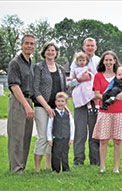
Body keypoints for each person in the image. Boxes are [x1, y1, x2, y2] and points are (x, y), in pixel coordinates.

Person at [92, 51, 122, 173]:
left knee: (117, 140)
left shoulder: (120, 74)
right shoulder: (98, 76)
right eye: (106, 60)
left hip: (119, 110)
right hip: (105, 111)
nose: (108, 62)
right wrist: (108, 98)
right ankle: (102, 167)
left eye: (110, 60)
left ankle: (116, 167)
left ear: (114, 61)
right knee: (103, 140)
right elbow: (97, 93)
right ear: (103, 62)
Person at [33, 41, 67, 172]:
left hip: (57, 108)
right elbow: (35, 90)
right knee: (42, 136)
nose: (50, 52)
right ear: (44, 52)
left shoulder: (60, 69)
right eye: (48, 50)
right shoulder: (39, 67)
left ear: (56, 53)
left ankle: (48, 166)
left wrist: (65, 106)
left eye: (53, 50)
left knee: (52, 136)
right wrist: (47, 107)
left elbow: (63, 90)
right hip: (42, 106)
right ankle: (37, 168)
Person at [68, 37, 101, 166]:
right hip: (81, 100)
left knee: (94, 131)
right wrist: (80, 79)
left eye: (92, 45)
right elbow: (70, 82)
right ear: (84, 47)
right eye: (88, 45)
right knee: (80, 132)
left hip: (95, 100)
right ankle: (78, 160)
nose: (90, 48)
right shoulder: (76, 62)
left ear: (96, 47)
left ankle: (95, 161)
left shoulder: (99, 61)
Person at [7, 34, 36, 173]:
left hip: (29, 100)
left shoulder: (31, 63)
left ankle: (22, 167)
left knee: (26, 136)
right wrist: (25, 105)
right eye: (27, 43)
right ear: (21, 45)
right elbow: (14, 85)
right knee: (17, 136)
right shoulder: (15, 63)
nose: (29, 46)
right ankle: (16, 169)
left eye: (32, 44)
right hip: (19, 101)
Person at [47, 92, 75, 173]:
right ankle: (56, 169)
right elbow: (49, 126)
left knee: (64, 153)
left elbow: (72, 126)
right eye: (58, 101)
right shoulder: (53, 114)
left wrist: (71, 138)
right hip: (56, 137)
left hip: (66, 137)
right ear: (55, 102)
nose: (60, 103)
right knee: (56, 154)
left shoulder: (68, 114)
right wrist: (49, 138)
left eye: (62, 101)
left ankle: (66, 169)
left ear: (66, 103)